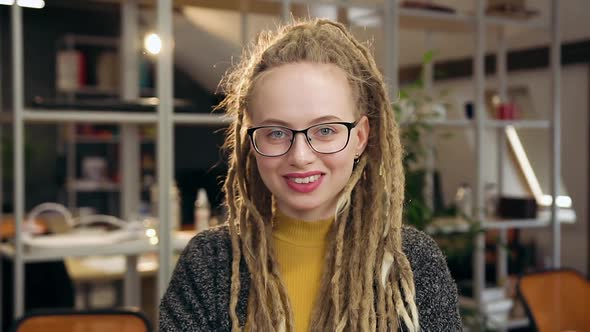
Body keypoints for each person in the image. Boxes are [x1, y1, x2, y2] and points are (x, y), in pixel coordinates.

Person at [160, 18, 461, 331]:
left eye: (326, 130)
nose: (300, 156)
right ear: (251, 140)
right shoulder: (210, 263)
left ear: (360, 137)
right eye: (276, 133)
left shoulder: (412, 262)